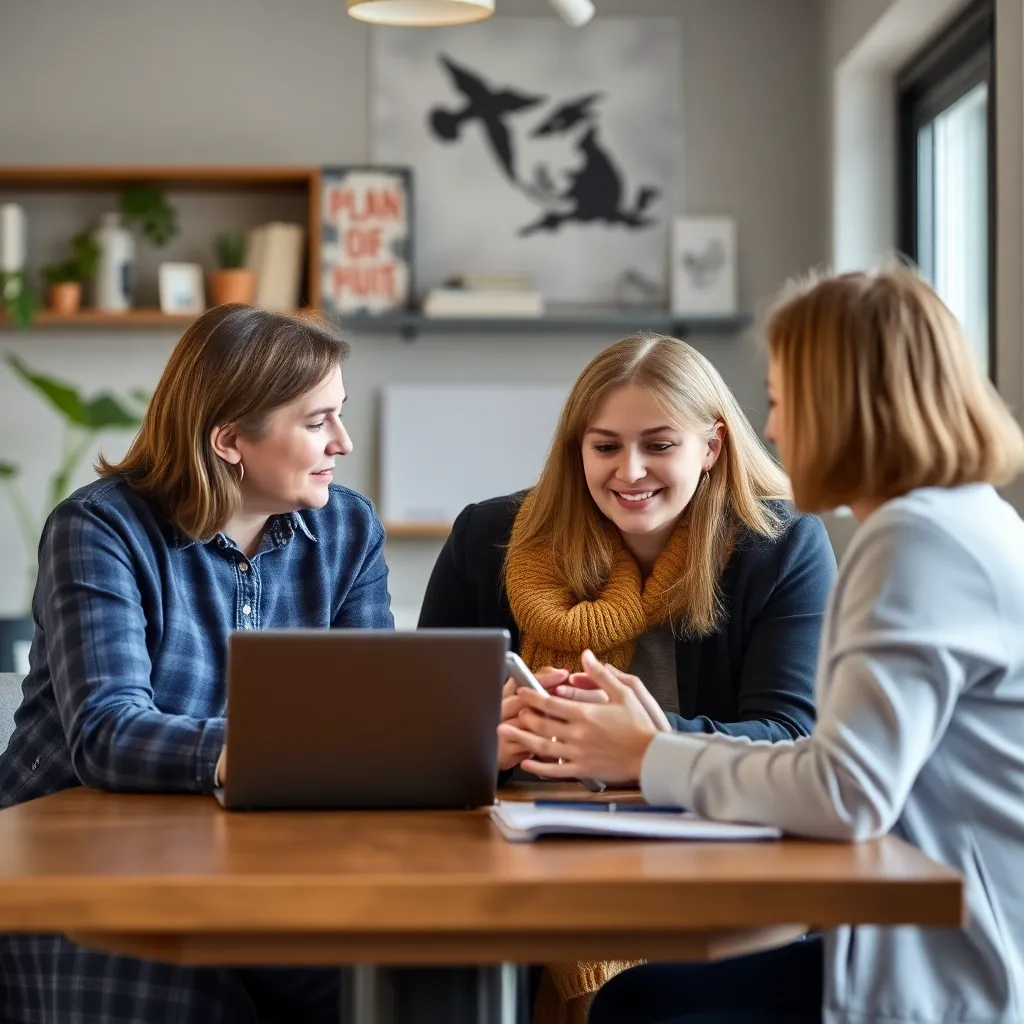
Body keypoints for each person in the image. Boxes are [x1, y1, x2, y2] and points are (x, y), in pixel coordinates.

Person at [502, 269, 1024, 1024]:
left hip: (950, 971)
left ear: (844, 403)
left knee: (639, 1009)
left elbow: (846, 790)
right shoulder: (962, 523)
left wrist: (647, 753)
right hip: (940, 942)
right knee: (639, 1001)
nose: (772, 430)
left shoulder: (915, 544)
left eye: (781, 400)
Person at [417, 332, 837, 1023]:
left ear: (713, 447)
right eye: (605, 445)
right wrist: (475, 746)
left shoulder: (780, 547)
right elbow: (416, 727)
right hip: (513, 862)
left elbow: (793, 737)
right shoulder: (489, 536)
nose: (630, 470)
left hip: (704, 864)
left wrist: (649, 742)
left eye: (660, 445)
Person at [0, 304, 393, 1024]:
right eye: (317, 422)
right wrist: (282, 752)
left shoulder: (347, 527)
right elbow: (108, 734)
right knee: (175, 993)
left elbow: (375, 712)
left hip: (269, 861)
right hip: (86, 864)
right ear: (230, 439)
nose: (344, 441)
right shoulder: (100, 529)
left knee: (403, 980)